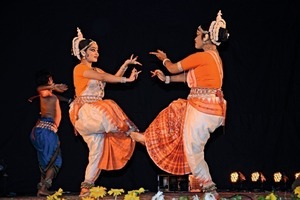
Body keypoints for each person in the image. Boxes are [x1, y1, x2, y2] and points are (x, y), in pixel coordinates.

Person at [130, 10, 229, 199]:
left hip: (203, 108)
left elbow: (173, 66)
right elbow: (188, 77)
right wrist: (166, 79)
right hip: (208, 108)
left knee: (193, 151)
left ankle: (210, 190)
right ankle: (149, 138)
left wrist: (164, 59)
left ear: (206, 38)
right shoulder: (214, 58)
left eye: (197, 34)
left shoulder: (203, 56)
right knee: (176, 111)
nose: (195, 38)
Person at [69, 27, 142, 197]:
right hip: (86, 113)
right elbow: (103, 79)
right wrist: (127, 79)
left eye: (98, 50)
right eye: (93, 50)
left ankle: (86, 187)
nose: (97, 53)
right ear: (83, 53)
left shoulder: (98, 70)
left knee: (97, 151)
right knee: (109, 105)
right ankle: (132, 133)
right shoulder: (79, 69)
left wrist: (124, 66)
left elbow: (110, 77)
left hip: (96, 113)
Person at [29, 70, 68, 196]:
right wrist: (54, 86)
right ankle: (44, 188)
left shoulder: (50, 95)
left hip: (43, 132)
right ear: (47, 81)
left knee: (47, 161)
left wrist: (68, 100)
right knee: (56, 161)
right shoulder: (44, 92)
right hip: (45, 132)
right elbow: (40, 89)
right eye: (51, 80)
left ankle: (41, 188)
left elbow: (55, 97)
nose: (53, 81)